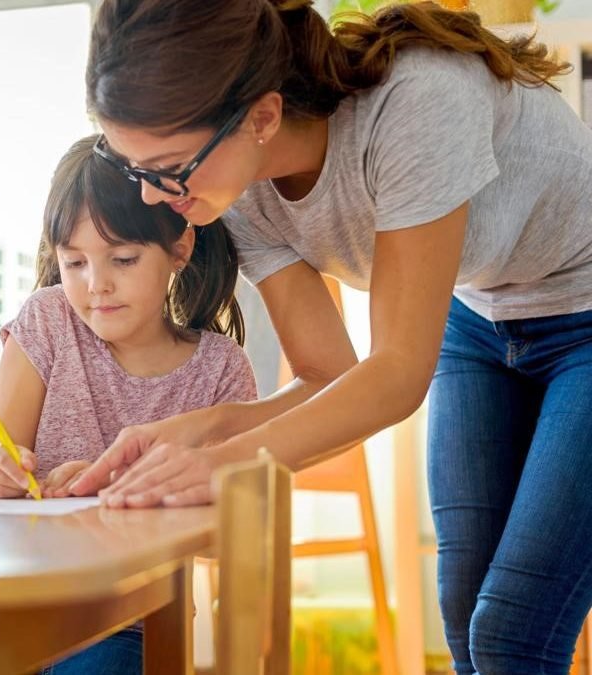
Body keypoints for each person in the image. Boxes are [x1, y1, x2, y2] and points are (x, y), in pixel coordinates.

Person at [68, 1, 592, 672]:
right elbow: (329, 376)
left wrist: (227, 463)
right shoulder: (240, 193)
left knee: (510, 630)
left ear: (262, 117)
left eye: (167, 167)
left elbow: (396, 373)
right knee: (465, 616)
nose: (151, 196)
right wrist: (198, 433)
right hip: (479, 314)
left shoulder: (418, 102)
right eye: (136, 169)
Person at [0, 134, 256, 674]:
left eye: (123, 259)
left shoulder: (220, 370)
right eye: (74, 262)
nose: (96, 285)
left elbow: (229, 535)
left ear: (180, 248)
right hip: (18, 605)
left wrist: (119, 492)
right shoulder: (47, 321)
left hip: (131, 619)